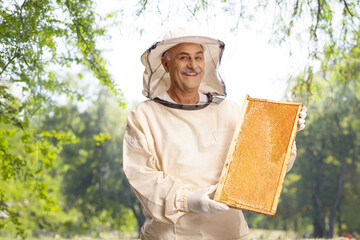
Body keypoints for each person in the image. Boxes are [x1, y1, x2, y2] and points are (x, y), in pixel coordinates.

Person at [123, 27, 307, 240]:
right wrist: (189, 200)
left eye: (198, 57)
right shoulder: (143, 116)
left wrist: (283, 132)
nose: (193, 65)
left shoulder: (230, 111)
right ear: (166, 64)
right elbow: (141, 177)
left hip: (229, 233)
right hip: (172, 235)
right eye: (184, 58)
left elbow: (261, 167)